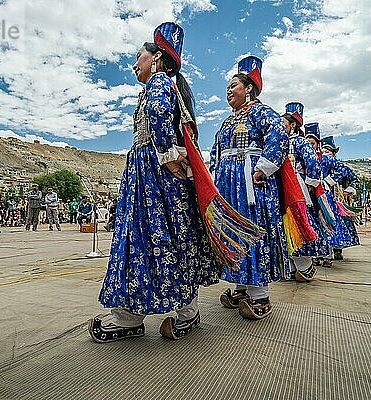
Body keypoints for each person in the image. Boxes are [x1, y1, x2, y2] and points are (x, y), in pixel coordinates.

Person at [90, 22, 219, 343]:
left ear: (158, 57)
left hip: (155, 179)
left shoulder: (161, 83)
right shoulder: (158, 85)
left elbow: (162, 117)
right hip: (145, 177)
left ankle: (148, 316)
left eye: (139, 56)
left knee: (156, 240)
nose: (135, 64)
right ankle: (133, 316)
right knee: (152, 241)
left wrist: (167, 156)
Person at [210, 55, 289, 320]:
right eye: (228, 88)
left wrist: (263, 168)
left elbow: (279, 135)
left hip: (250, 183)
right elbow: (216, 151)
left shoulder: (262, 112)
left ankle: (259, 294)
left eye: (234, 86)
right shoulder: (227, 121)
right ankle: (241, 286)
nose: (229, 91)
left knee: (252, 229)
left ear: (249, 89)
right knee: (233, 232)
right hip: (227, 184)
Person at [281, 103, 331, 281]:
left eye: (283, 123)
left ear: (293, 125)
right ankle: (292, 265)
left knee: (300, 222)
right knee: (285, 224)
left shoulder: (301, 142)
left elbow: (312, 164)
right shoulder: (279, 141)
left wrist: (309, 184)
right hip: (281, 186)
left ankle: (305, 264)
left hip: (297, 186)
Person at [321, 135, 360, 260]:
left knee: (338, 224)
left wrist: (349, 189)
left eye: (327, 152)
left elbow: (354, 180)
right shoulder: (319, 163)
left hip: (337, 201)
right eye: (323, 151)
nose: (325, 154)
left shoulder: (341, 167)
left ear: (333, 153)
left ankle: (337, 249)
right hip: (321, 198)